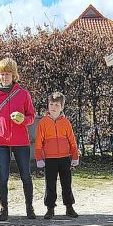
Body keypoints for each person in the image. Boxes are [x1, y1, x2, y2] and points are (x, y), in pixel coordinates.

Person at [0, 57, 36, 221]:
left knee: (26, 176)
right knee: (3, 177)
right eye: (2, 74)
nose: (5, 77)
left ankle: (29, 207)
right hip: (1, 142)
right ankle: (3, 208)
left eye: (8, 73)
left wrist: (24, 119)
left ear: (14, 75)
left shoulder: (23, 94)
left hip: (21, 141)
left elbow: (32, 117)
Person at [35, 91, 79, 219]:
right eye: (51, 104)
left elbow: (72, 140)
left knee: (66, 183)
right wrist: (39, 158)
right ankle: (50, 208)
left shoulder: (66, 123)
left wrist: (75, 156)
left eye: (57, 105)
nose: (53, 107)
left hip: (65, 158)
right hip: (50, 159)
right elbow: (39, 142)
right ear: (48, 106)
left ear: (62, 107)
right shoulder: (43, 122)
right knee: (50, 184)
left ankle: (69, 207)